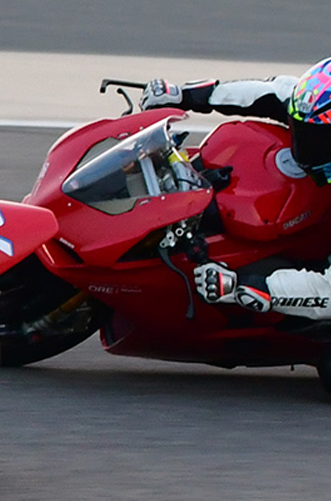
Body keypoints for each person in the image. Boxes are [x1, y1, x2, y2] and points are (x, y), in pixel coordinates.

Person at [140, 59, 331, 319]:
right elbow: (275, 91)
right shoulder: (316, 104)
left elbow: (327, 293)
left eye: (321, 141)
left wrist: (242, 286)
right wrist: (183, 95)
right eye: (306, 134)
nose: (308, 147)